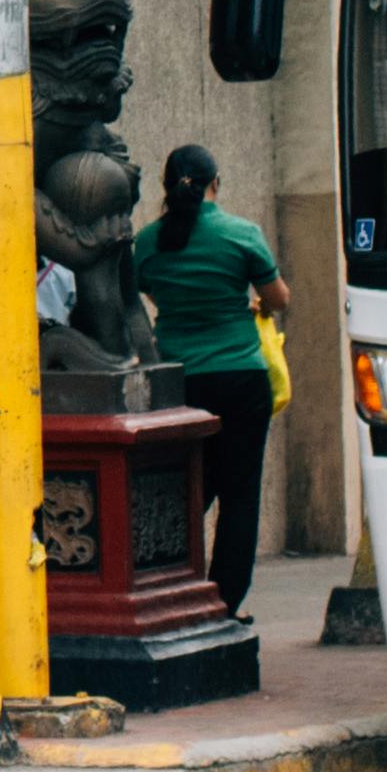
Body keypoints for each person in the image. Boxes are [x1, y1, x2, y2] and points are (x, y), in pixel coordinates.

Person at [145, 148, 290, 614]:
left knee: (186, 489)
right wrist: (252, 303)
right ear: (215, 183)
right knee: (240, 492)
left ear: (166, 187)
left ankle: (169, 587)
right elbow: (277, 297)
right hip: (241, 381)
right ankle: (224, 603)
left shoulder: (147, 243)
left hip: (179, 386)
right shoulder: (240, 234)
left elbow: (139, 290)